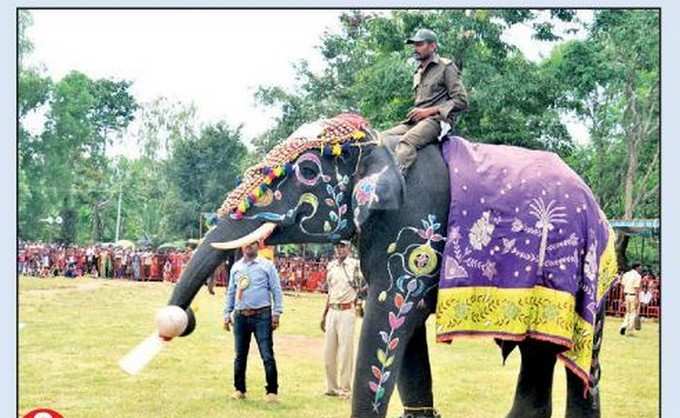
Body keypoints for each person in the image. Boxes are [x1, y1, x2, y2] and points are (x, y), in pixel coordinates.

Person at [381, 28, 468, 175]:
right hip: (415, 122)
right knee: (381, 138)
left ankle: (393, 183)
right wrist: (419, 113)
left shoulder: (446, 67)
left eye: (420, 44)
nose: (416, 48)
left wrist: (428, 112)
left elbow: (461, 101)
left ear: (433, 46)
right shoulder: (418, 71)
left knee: (407, 143)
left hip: (437, 121)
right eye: (414, 45)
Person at [223, 241, 284, 403]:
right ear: (242, 246)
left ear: (258, 246)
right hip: (241, 315)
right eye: (246, 244)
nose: (249, 246)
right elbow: (231, 292)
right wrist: (226, 313)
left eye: (253, 244)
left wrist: (276, 313)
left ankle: (272, 392)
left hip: (262, 316)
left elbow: (276, 290)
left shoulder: (267, 266)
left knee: (267, 354)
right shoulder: (236, 267)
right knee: (240, 355)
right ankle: (239, 389)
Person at [320, 240, 364, 397]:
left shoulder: (356, 265)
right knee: (328, 352)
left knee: (346, 351)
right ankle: (331, 387)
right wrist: (324, 314)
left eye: (342, 246)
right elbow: (330, 292)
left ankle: (345, 389)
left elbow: (363, 287)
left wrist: (360, 304)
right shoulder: (331, 266)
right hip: (332, 309)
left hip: (347, 310)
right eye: (337, 246)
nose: (339, 249)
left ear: (349, 248)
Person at [620, 263, 643, 336]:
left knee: (628, 312)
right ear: (637, 267)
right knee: (633, 313)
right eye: (640, 267)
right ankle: (630, 330)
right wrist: (637, 298)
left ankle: (624, 325)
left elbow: (622, 285)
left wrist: (622, 297)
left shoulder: (626, 274)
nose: (641, 268)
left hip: (626, 295)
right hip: (633, 295)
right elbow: (636, 287)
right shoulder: (638, 276)